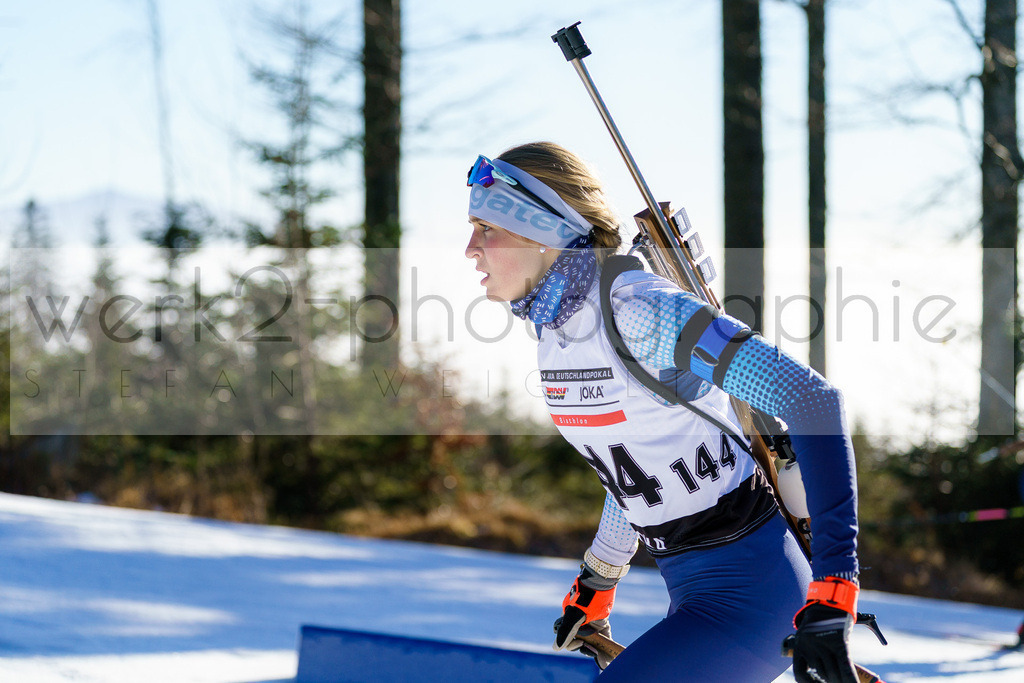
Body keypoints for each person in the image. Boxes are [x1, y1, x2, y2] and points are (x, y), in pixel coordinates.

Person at [464, 141, 861, 683]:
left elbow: (812, 400)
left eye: (488, 229)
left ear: (543, 230)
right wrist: (599, 578)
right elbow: (631, 462)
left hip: (756, 595)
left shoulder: (639, 309)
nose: (471, 249)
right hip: (691, 586)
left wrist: (836, 585)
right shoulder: (558, 333)